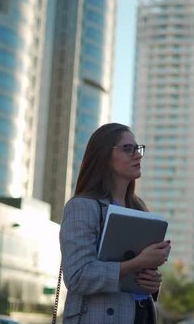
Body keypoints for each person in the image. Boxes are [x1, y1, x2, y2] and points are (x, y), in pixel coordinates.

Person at [59, 123, 171, 324]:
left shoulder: (139, 208)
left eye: (138, 148)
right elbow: (77, 276)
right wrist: (137, 263)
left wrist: (153, 283)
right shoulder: (82, 207)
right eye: (128, 149)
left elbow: (141, 276)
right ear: (104, 155)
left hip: (141, 315)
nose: (137, 155)